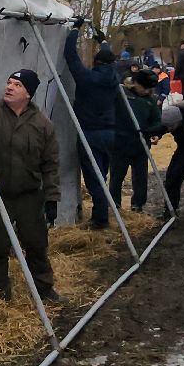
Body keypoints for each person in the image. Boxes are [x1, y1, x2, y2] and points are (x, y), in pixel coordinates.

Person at [0, 69, 63, 305]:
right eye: (9, 82)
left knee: (36, 243)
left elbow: (50, 164)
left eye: (17, 85)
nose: (9, 87)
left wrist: (51, 198)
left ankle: (43, 288)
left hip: (29, 196)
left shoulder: (42, 125)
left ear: (28, 93)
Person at [63, 28, 120, 230]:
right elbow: (109, 58)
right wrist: (102, 41)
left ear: (96, 63)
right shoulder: (114, 77)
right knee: (102, 175)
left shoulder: (87, 79)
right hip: (110, 134)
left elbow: (70, 55)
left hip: (90, 134)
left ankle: (100, 220)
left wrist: (74, 31)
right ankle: (100, 214)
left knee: (94, 179)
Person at [111, 68, 165, 214]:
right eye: (144, 87)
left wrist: (156, 133)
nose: (146, 91)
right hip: (120, 143)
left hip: (141, 144)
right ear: (135, 83)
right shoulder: (121, 94)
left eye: (149, 89)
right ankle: (114, 205)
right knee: (117, 176)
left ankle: (138, 205)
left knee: (140, 177)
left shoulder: (150, 100)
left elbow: (157, 120)